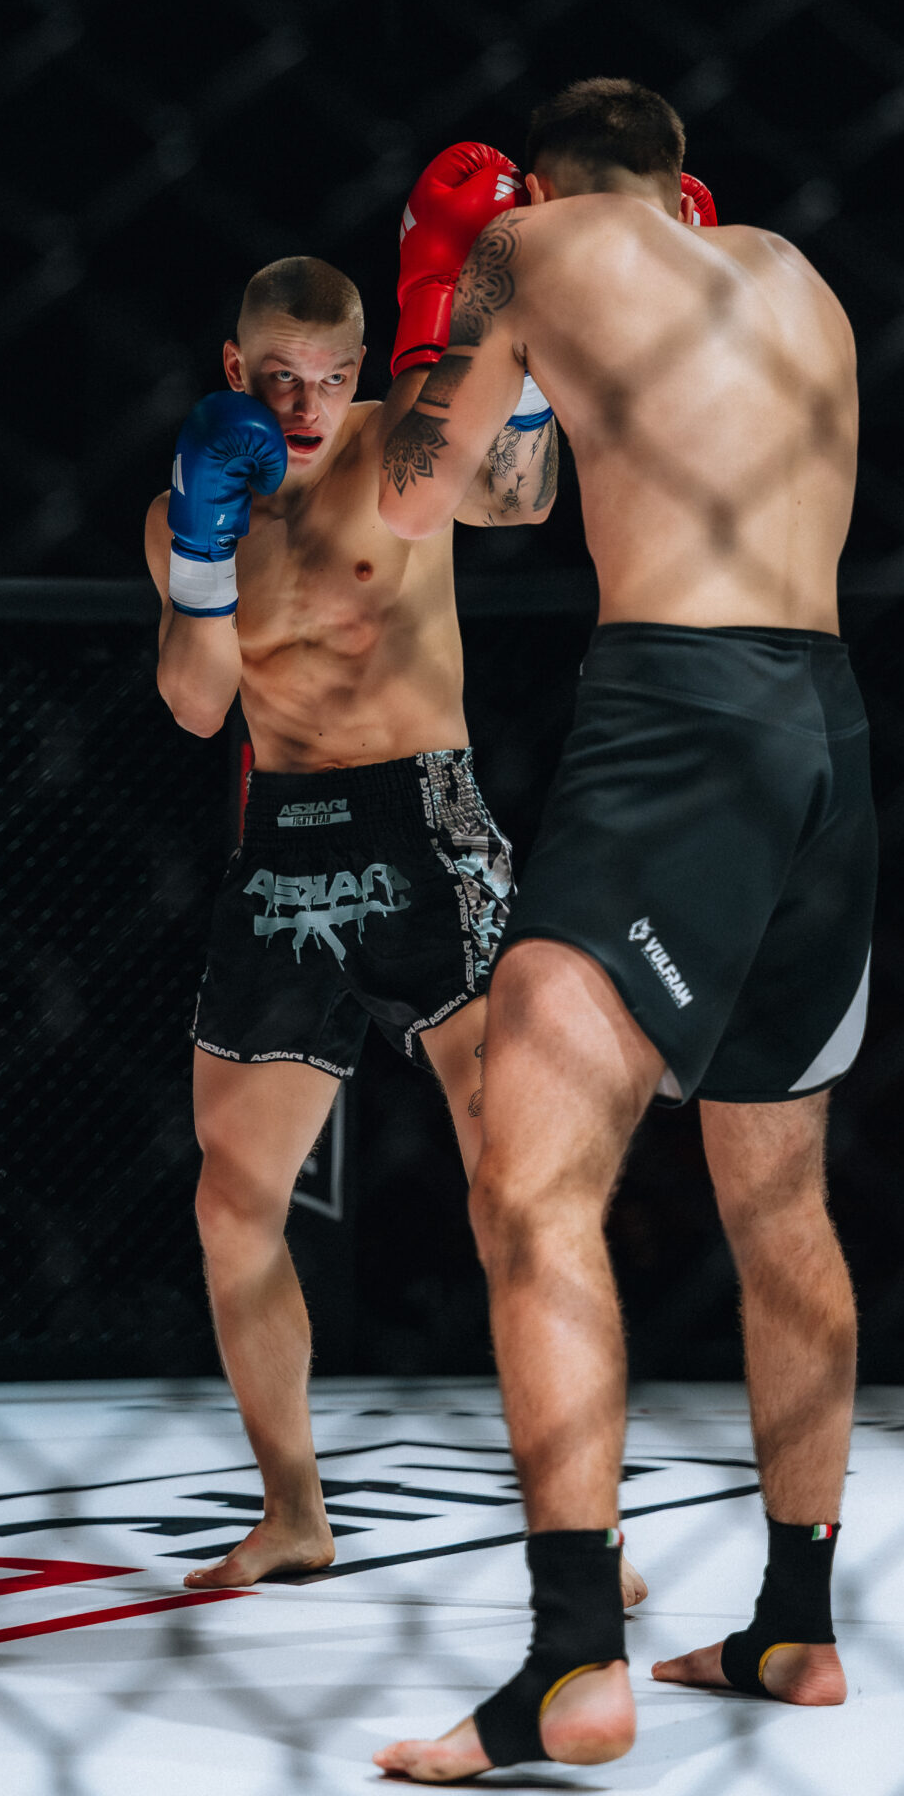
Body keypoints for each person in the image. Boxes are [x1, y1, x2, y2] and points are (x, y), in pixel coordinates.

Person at [372, 78, 874, 1779]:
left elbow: (430, 495)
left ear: (544, 183)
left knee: (530, 1182)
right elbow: (531, 486)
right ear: (683, 184)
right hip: (828, 732)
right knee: (780, 1201)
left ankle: (575, 1659)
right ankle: (796, 1623)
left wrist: (437, 301)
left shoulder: (527, 246)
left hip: (678, 721)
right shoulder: (794, 275)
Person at [145, 200, 644, 1608]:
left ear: (363, 367)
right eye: (279, 380)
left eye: (330, 376)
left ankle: (589, 1531)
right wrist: (203, 545)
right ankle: (295, 1514)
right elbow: (195, 705)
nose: (307, 408)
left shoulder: (403, 447)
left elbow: (522, 498)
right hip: (282, 850)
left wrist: (509, 354)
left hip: (425, 829)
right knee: (232, 1203)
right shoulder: (189, 503)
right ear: (234, 372)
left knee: (521, 1182)